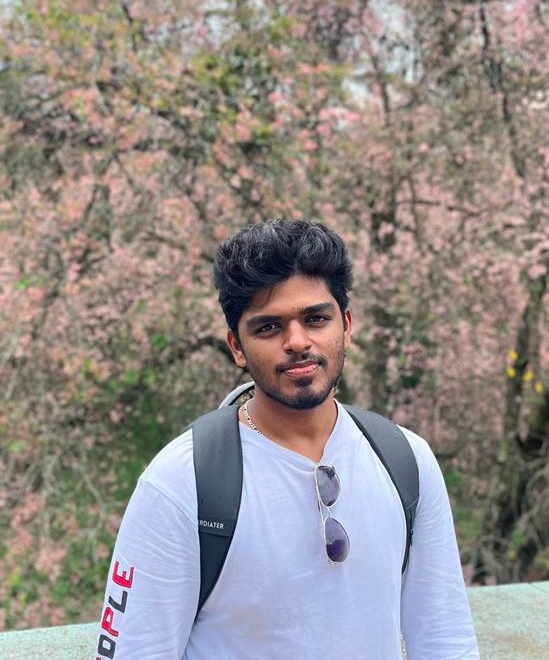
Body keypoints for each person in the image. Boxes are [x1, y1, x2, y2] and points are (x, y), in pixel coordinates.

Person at [96, 219, 480, 659]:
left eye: (316, 319)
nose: (297, 341)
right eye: (269, 327)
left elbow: (445, 638)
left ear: (346, 326)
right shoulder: (182, 482)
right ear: (236, 346)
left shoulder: (406, 459)